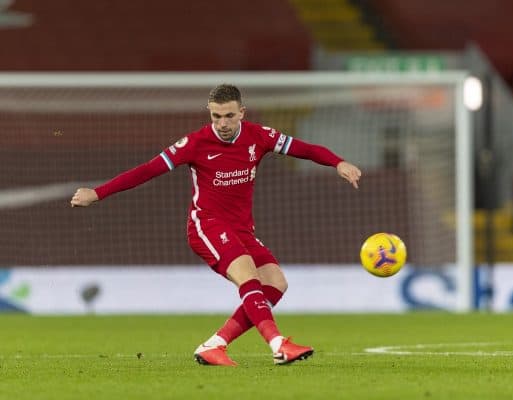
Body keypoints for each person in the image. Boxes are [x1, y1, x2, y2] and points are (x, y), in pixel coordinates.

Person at [70, 84, 362, 365]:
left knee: (275, 283)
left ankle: (215, 345)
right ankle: (278, 345)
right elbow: (148, 169)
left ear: (242, 113)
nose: (222, 123)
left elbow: (305, 149)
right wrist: (98, 193)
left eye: (229, 116)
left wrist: (338, 163)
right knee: (248, 275)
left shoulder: (259, 136)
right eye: (216, 116)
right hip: (206, 225)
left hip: (241, 229)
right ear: (210, 113)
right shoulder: (195, 143)